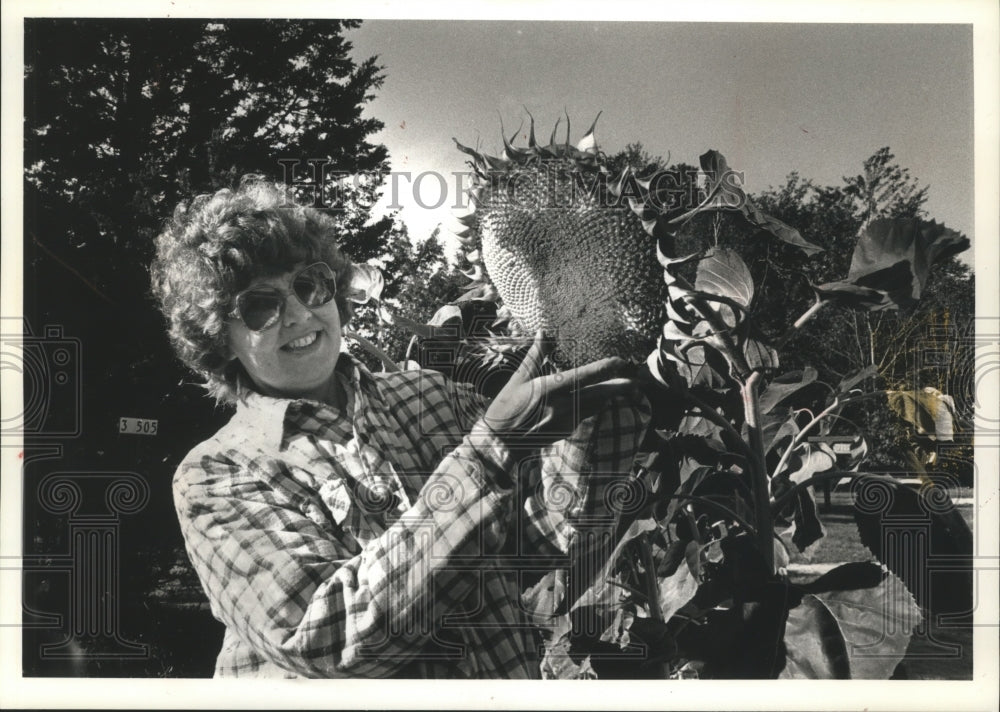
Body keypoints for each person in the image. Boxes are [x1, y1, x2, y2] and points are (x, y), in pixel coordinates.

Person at [151, 176, 650, 678]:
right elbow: (326, 640)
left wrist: (605, 390)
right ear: (218, 337)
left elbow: (541, 546)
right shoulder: (216, 475)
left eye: (310, 284)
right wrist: (486, 455)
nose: (300, 314)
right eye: (261, 306)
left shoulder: (434, 397)